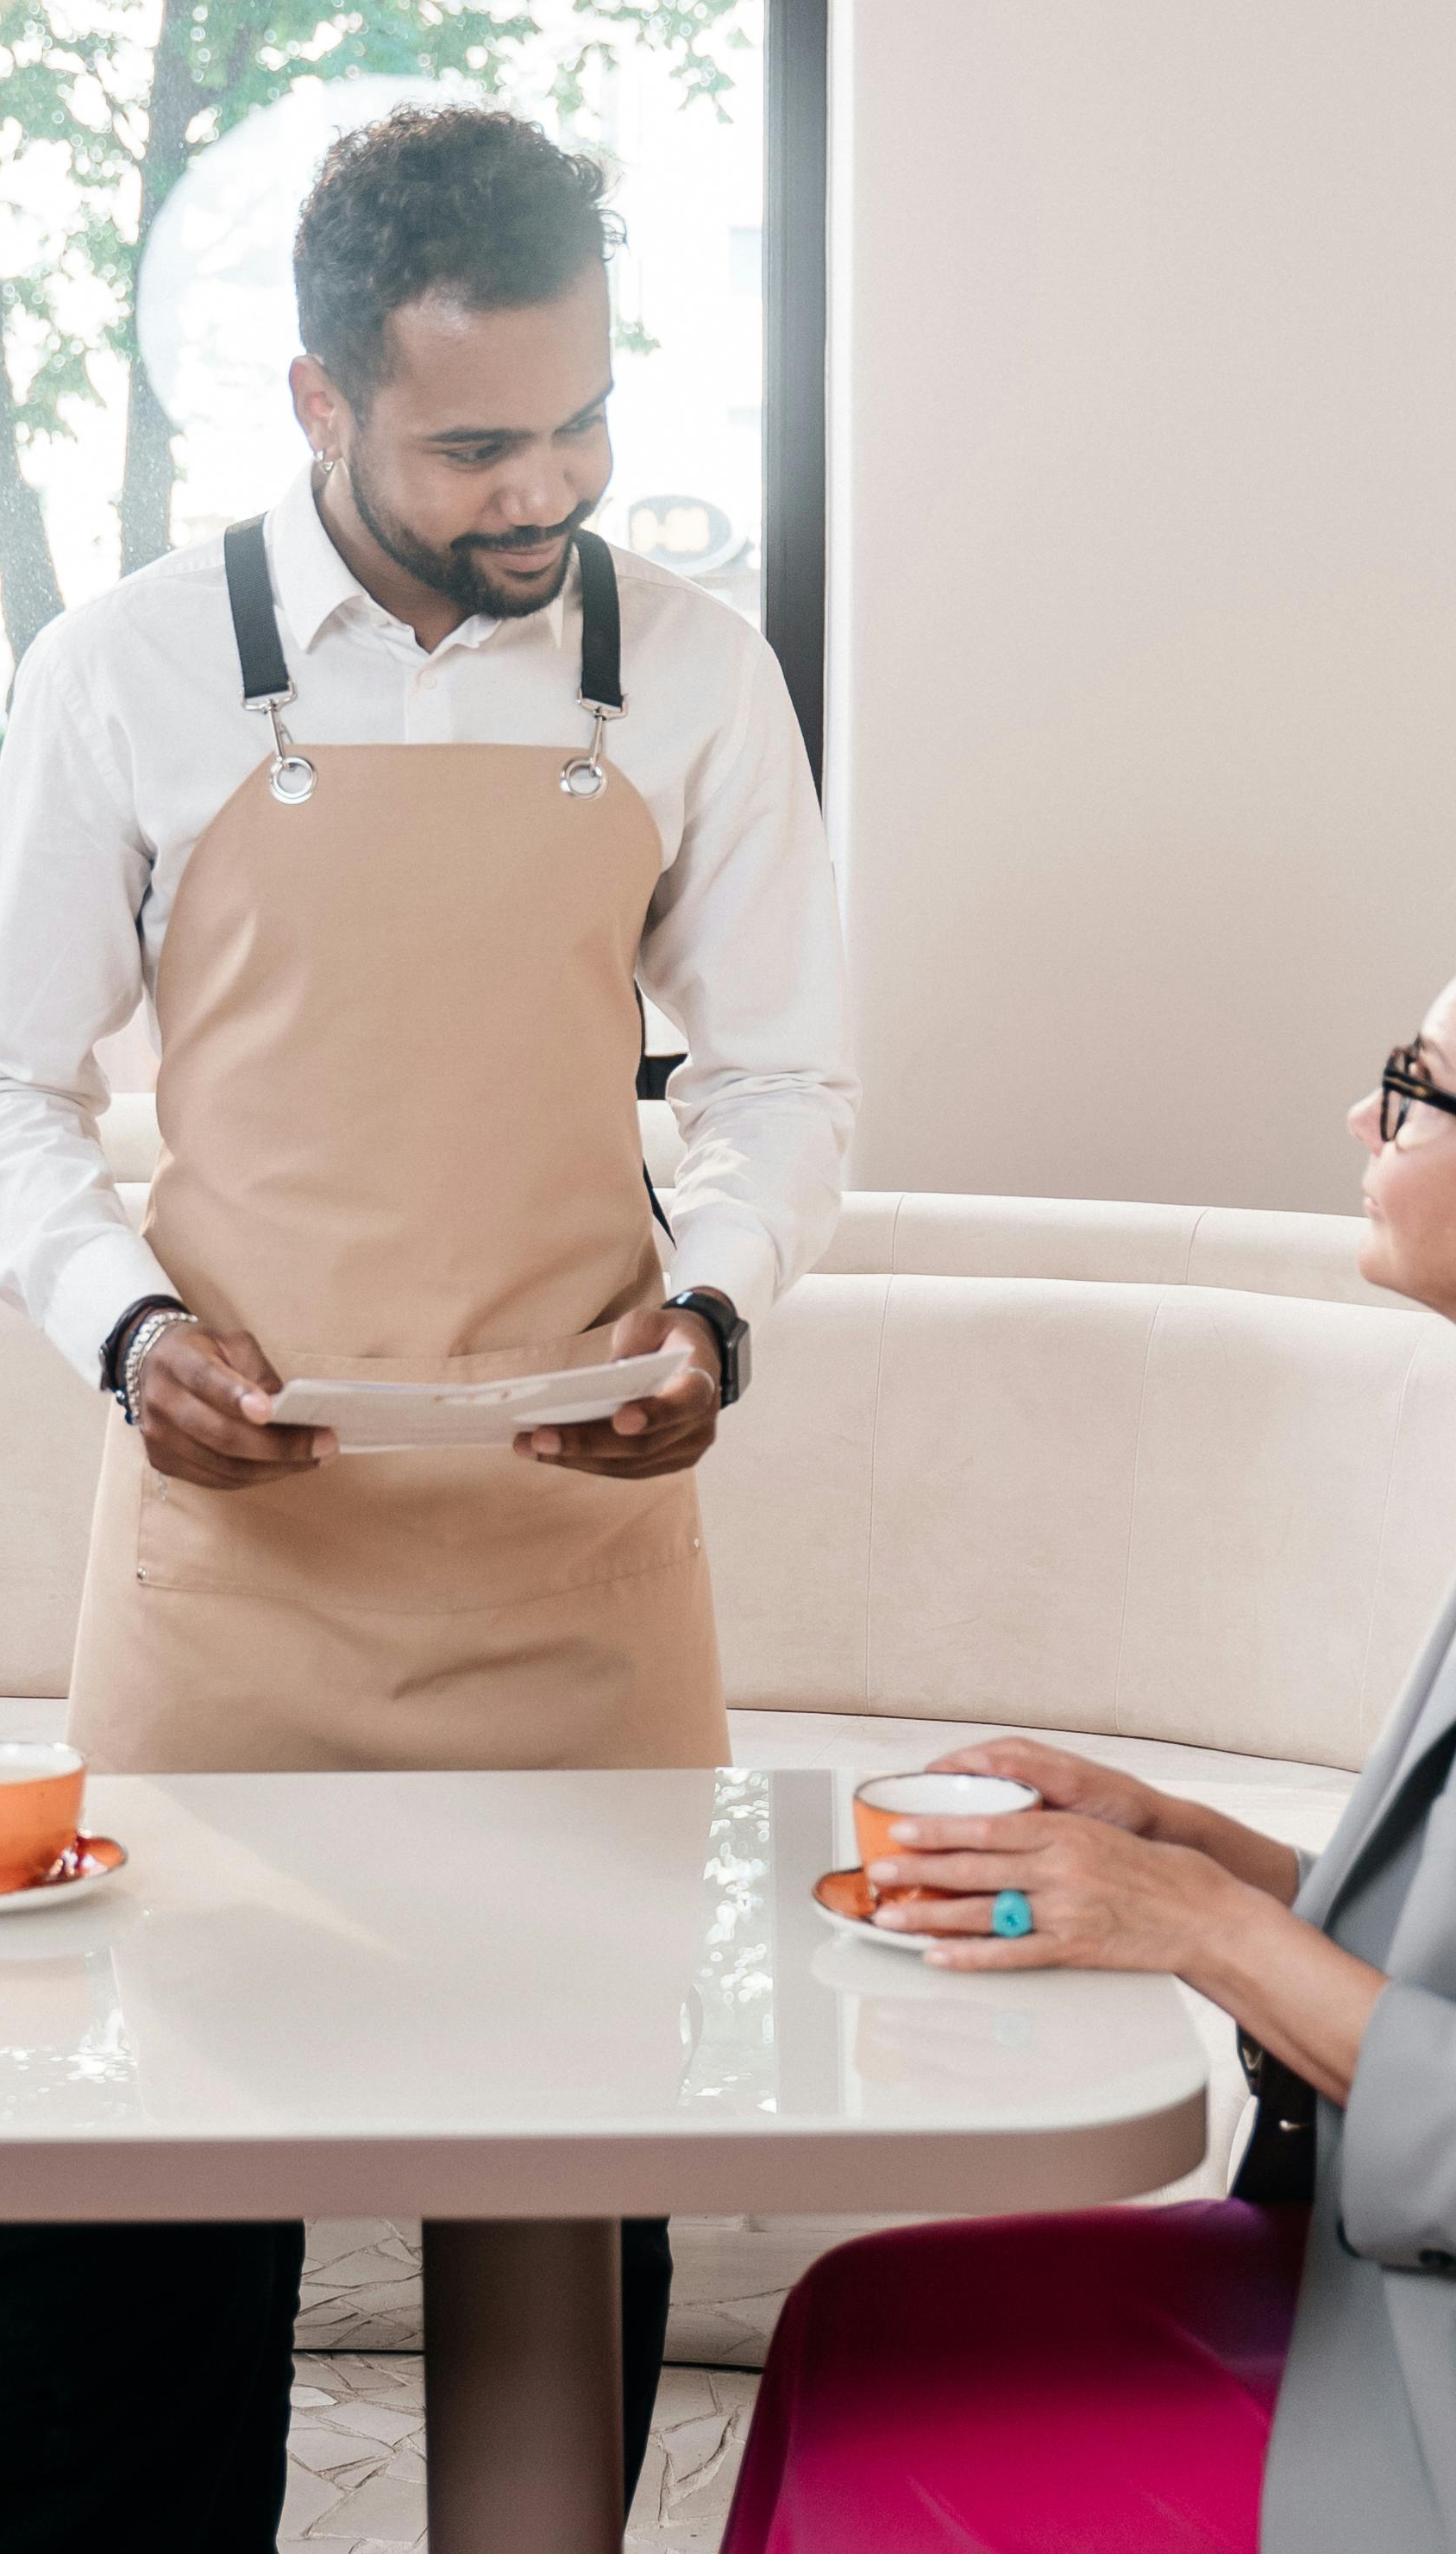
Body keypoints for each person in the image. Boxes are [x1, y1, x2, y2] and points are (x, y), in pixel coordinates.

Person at [0, 107, 853, 2548]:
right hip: (228, 1587)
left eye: (584, 420)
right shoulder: (130, 670)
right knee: (131, 2248)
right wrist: (121, 1322)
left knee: (567, 2223)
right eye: (477, 439)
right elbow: (9, 1088)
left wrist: (716, 1313)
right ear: (315, 401)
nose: (548, 482)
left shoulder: (688, 675)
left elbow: (787, 1079)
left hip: (572, 1593)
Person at [719, 911, 1456, 2554]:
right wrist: (1199, 1851)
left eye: (1413, 1091)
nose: (1363, 1123)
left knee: (892, 2433)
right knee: (853, 2316)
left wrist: (1189, 1922)